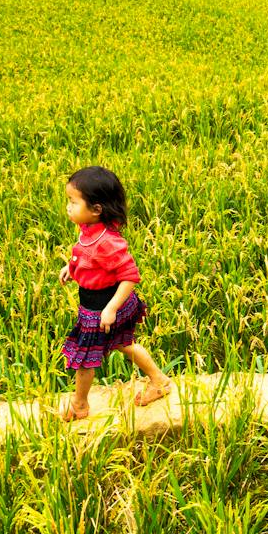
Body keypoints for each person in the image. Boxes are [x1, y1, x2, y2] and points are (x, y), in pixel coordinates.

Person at [59, 165, 173, 419]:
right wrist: (71, 267)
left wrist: (110, 309)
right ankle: (159, 380)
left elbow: (130, 276)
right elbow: (86, 257)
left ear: (96, 210)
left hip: (104, 306)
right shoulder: (89, 229)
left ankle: (79, 405)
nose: (68, 207)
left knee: (86, 357)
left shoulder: (108, 242)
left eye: (73, 202)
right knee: (125, 344)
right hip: (94, 303)